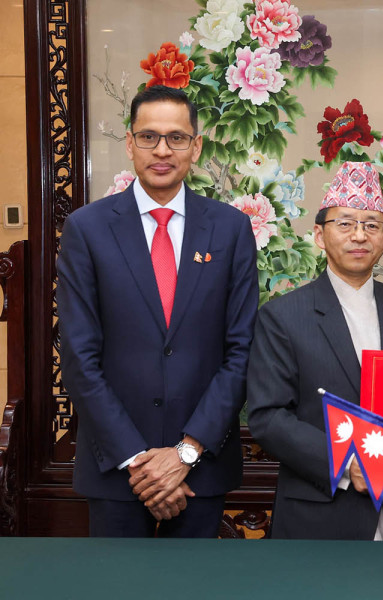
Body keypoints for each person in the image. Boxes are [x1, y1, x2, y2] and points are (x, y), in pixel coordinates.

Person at [57, 86, 258, 537]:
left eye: (177, 137)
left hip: (201, 471)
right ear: (129, 144)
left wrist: (185, 454)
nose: (162, 150)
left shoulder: (230, 228)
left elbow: (241, 351)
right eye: (148, 137)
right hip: (115, 469)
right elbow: (78, 357)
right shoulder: (87, 229)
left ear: (196, 146)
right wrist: (141, 464)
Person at [246, 161, 383, 540]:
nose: (359, 235)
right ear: (319, 234)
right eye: (345, 223)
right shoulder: (282, 316)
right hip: (320, 515)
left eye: (371, 225)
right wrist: (348, 463)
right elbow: (267, 417)